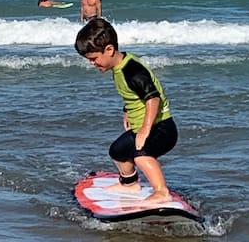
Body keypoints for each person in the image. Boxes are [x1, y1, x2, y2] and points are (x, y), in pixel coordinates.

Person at [74, 18, 178, 203]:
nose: (92, 64)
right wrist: (127, 111)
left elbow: (153, 98)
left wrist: (146, 128)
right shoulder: (119, 68)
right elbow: (133, 94)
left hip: (162, 128)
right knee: (118, 151)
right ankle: (130, 184)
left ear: (109, 50)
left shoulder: (132, 70)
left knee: (140, 155)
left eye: (94, 59)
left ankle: (162, 191)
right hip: (144, 126)